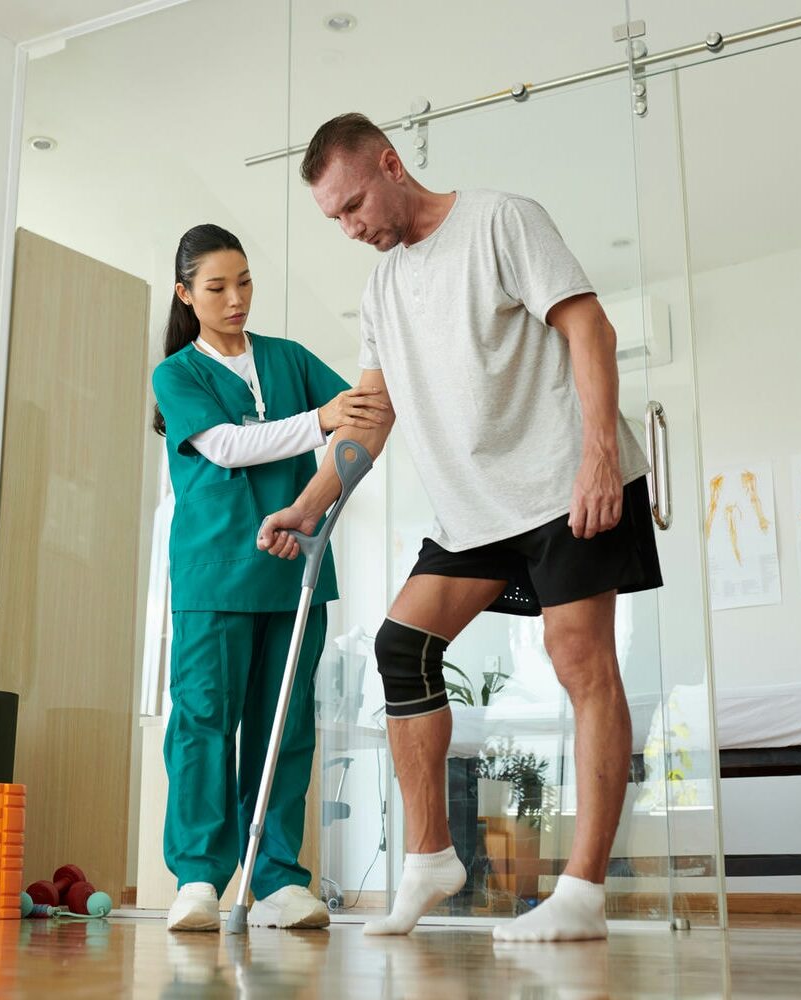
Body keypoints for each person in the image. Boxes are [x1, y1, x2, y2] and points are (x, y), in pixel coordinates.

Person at [258, 115, 662, 942]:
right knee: (401, 645)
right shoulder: (380, 291)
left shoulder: (501, 220)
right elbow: (370, 419)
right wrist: (306, 504)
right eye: (333, 218)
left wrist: (596, 457)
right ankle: (429, 859)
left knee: (579, 659)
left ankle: (583, 895)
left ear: (391, 163)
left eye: (354, 203)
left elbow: (590, 327)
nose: (350, 226)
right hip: (475, 509)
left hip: (560, 482)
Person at [151, 223, 389, 932]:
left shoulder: (288, 358)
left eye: (245, 282)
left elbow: (367, 420)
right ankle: (197, 877)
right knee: (202, 725)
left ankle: (280, 879)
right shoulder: (179, 374)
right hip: (213, 575)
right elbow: (225, 446)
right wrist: (319, 420)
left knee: (283, 730)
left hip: (295, 574)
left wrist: (317, 503)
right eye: (218, 287)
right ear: (185, 294)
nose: (236, 299)